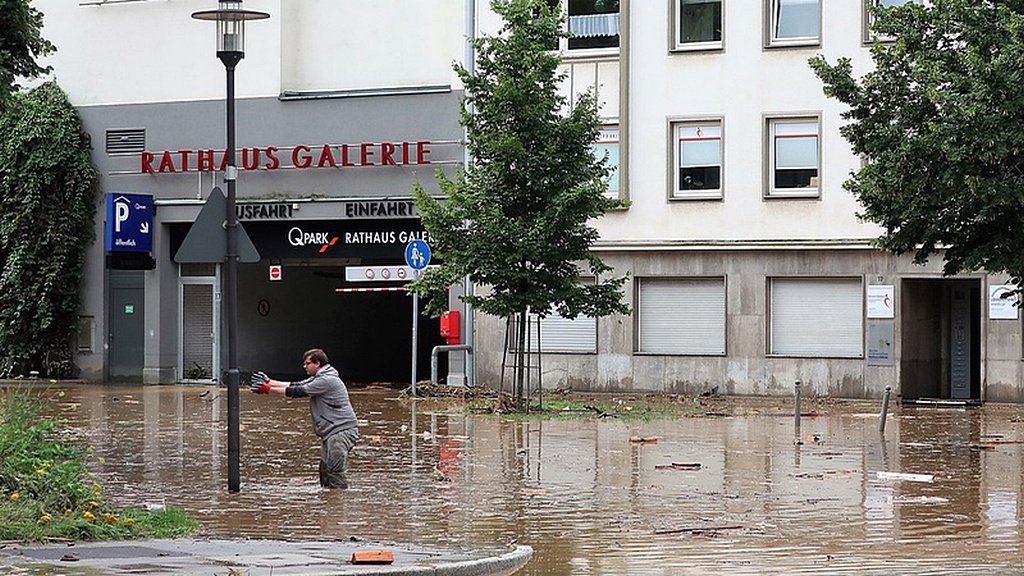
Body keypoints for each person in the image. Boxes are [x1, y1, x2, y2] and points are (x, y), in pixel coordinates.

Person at [250, 348, 359, 489]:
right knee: (325, 472)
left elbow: (299, 391)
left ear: (317, 363)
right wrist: (269, 382)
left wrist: (267, 389)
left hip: (341, 431)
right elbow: (297, 385)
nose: (304, 366)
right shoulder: (320, 377)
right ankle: (329, 500)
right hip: (332, 432)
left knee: (334, 471)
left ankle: (339, 500)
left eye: (307, 363)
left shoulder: (326, 380)